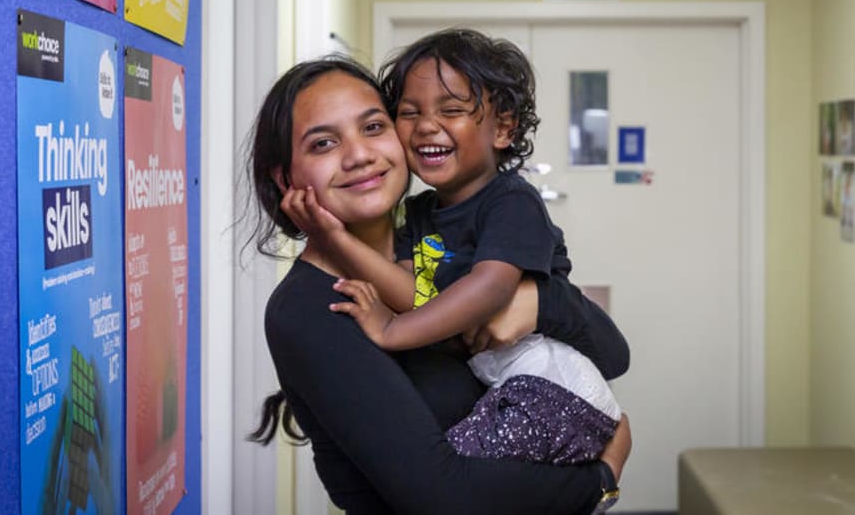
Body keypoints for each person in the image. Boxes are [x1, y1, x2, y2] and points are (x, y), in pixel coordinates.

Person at [248, 57, 632, 513]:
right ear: (284, 176)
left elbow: (613, 357)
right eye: (324, 143)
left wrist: (539, 302)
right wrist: (600, 481)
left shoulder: (440, 244)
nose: (359, 155)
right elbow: (444, 498)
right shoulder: (311, 308)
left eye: (373, 127)